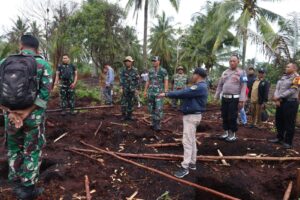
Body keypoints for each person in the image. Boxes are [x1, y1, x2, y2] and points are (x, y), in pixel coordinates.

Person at [0, 34, 53, 199]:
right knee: (32, 150)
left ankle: (15, 181)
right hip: (33, 117)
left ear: (20, 46)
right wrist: (27, 112)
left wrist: (11, 112)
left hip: (10, 117)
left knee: (14, 148)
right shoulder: (43, 64)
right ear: (37, 49)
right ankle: (27, 189)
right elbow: (45, 94)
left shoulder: (4, 63)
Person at [158, 67, 208, 178]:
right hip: (193, 115)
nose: (192, 76)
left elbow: (184, 92)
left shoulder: (199, 87)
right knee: (192, 140)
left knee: (187, 141)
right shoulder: (201, 87)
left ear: (197, 75)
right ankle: (192, 163)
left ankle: (185, 167)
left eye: (193, 74)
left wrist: (166, 94)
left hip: (191, 117)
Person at [214, 55, 247, 142]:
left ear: (238, 62)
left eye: (234, 61)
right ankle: (226, 132)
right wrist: (216, 96)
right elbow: (220, 85)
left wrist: (241, 100)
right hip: (224, 98)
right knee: (224, 115)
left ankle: (232, 134)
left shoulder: (242, 73)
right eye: (230, 61)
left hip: (234, 99)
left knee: (232, 117)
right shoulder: (225, 72)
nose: (232, 63)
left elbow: (244, 87)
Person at [269, 63, 300, 149]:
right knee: (279, 121)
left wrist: (278, 97)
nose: (286, 68)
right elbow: (277, 88)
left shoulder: (297, 77)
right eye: (286, 66)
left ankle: (288, 142)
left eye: (288, 66)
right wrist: (277, 99)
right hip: (281, 102)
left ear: (294, 68)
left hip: (290, 103)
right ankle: (279, 138)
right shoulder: (283, 77)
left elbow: (293, 90)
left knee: (289, 122)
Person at [144, 56, 169, 131]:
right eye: (153, 61)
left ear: (159, 62)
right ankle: (153, 122)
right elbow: (148, 81)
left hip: (159, 93)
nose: (153, 62)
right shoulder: (150, 70)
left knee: (158, 108)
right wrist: (145, 91)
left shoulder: (163, 71)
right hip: (151, 92)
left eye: (155, 61)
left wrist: (165, 91)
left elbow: (166, 81)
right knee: (151, 108)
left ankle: (158, 124)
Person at [120, 56, 139, 120]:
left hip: (132, 89)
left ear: (131, 62)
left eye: (129, 61)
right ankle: (123, 115)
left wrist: (137, 89)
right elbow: (121, 79)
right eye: (126, 61)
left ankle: (130, 115)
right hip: (125, 89)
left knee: (131, 102)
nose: (127, 63)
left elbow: (137, 80)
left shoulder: (135, 70)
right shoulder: (123, 70)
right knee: (123, 102)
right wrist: (121, 88)